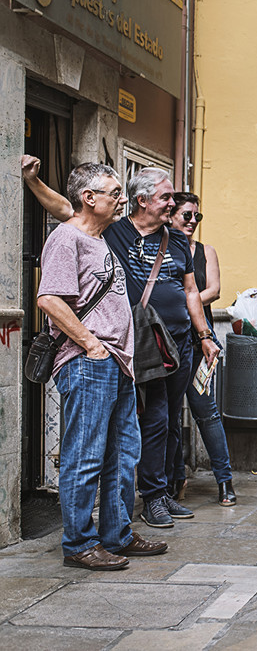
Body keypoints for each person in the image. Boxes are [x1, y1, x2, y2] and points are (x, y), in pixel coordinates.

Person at [22, 159, 220, 529]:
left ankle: (134, 517)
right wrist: (32, 181)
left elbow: (192, 290)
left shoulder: (159, 238)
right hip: (107, 353)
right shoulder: (98, 232)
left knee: (142, 437)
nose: (173, 205)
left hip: (156, 349)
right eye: (166, 197)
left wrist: (204, 336)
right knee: (95, 451)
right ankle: (84, 538)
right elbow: (66, 214)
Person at [32, 159, 168, 569]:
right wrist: (91, 344)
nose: (122, 199)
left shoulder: (100, 239)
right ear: (88, 199)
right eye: (113, 193)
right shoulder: (66, 239)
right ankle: (78, 544)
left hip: (117, 365)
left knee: (124, 456)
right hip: (89, 362)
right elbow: (49, 299)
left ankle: (116, 535)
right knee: (85, 457)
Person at [169, 192, 236, 506]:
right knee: (165, 416)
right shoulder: (161, 249)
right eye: (186, 215)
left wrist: (184, 298)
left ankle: (225, 482)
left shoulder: (205, 251)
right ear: (171, 215)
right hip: (166, 344)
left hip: (200, 343)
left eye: (197, 216)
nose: (192, 221)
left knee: (206, 413)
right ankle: (172, 482)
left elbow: (214, 290)